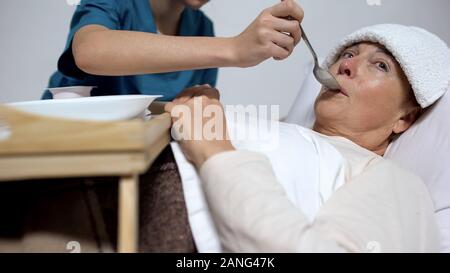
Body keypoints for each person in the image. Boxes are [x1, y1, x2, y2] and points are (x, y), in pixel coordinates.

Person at [165, 24, 450, 252]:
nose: (345, 66)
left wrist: (214, 149)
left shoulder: (392, 180)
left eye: (380, 65)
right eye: (348, 54)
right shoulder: (284, 131)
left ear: (404, 119)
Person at [43, 0, 303, 100]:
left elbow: (176, 110)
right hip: (65, 154)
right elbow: (91, 51)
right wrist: (235, 48)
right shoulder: (114, 3)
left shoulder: (201, 27)